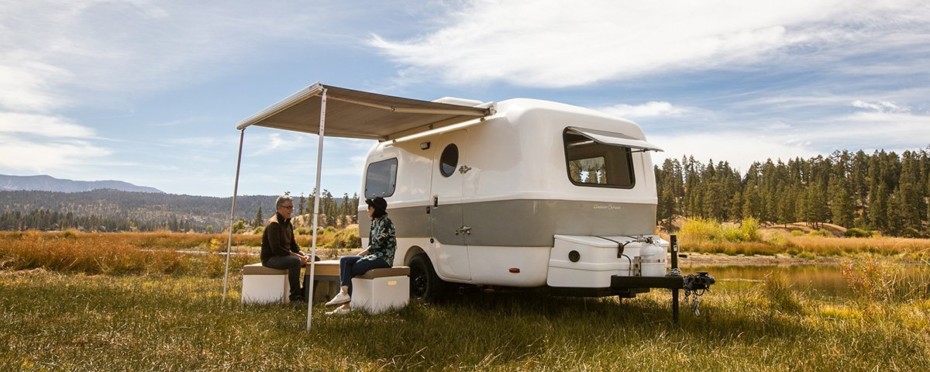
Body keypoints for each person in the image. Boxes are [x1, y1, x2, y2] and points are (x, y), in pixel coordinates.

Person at [325, 196, 396, 315]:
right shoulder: (375, 222)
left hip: (383, 259)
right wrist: (361, 255)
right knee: (344, 260)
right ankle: (344, 295)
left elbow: (376, 244)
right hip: (373, 257)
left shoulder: (386, 222)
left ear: (376, 209)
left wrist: (361, 255)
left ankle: (345, 305)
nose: (367, 209)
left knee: (350, 268)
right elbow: (371, 245)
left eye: (370, 207)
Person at [261, 194, 314, 302]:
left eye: (292, 207)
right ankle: (295, 297)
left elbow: (293, 245)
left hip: (284, 256)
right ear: (279, 208)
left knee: (314, 258)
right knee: (295, 262)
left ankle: (306, 292)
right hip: (271, 258)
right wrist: (298, 256)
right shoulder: (274, 224)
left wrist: (303, 254)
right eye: (288, 207)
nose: (291, 210)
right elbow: (276, 249)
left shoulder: (288, 224)